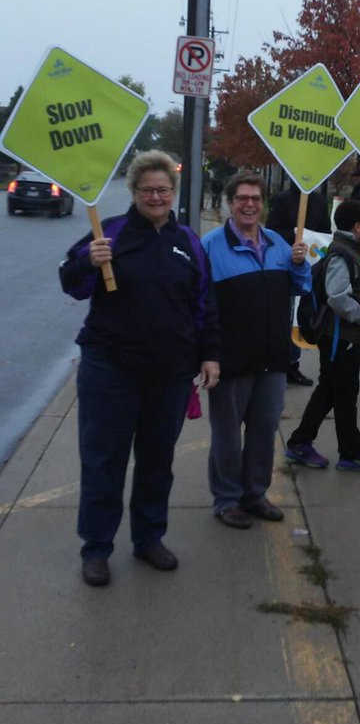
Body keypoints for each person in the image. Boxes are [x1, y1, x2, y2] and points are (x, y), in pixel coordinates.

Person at [59, 151, 220, 587]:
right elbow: (71, 284)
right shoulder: (106, 233)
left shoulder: (187, 242)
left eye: (163, 190)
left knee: (156, 461)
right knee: (103, 462)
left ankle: (149, 538)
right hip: (110, 369)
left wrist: (209, 353)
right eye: (148, 189)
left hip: (168, 374)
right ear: (134, 192)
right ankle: (96, 548)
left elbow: (203, 305)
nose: (156, 196)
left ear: (173, 193)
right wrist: (85, 262)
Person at [202, 171, 311, 528]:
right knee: (228, 437)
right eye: (242, 198)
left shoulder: (279, 244)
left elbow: (300, 288)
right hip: (229, 361)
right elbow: (200, 306)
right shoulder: (211, 247)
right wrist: (208, 355)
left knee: (264, 433)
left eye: (256, 199)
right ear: (230, 203)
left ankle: (255, 495)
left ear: (262, 204)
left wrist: (298, 264)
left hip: (273, 358)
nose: (249, 204)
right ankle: (227, 499)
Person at [285, 199, 360, 472]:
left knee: (334, 391)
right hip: (342, 338)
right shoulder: (344, 255)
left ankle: (312, 444)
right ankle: (347, 452)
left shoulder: (347, 250)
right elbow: (337, 296)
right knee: (339, 392)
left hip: (343, 338)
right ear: (357, 227)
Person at [266, 182, 332, 386]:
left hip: (311, 267)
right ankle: (280, 363)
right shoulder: (282, 199)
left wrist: (314, 241)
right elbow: (271, 231)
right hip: (284, 265)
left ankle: (293, 364)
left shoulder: (319, 201)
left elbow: (325, 232)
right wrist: (296, 235)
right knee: (285, 316)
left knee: (300, 316)